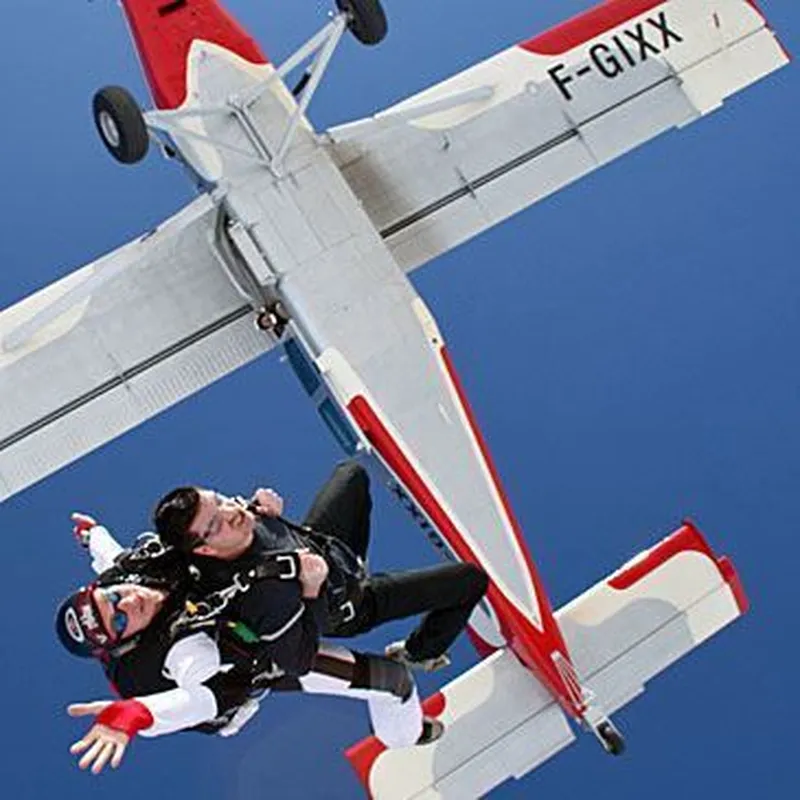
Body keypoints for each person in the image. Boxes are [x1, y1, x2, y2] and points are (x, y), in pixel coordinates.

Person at [55, 514, 440, 775]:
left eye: (110, 599)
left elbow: (107, 557)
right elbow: (201, 697)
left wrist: (92, 534)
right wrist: (135, 716)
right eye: (120, 622)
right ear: (125, 642)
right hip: (259, 665)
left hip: (249, 618)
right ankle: (405, 735)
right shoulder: (177, 653)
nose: (128, 603)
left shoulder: (125, 575)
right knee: (393, 680)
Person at [153, 461, 489, 677]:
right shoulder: (262, 598)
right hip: (353, 603)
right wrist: (312, 590)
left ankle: (354, 565)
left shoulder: (239, 520)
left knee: (352, 475)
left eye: (221, 499)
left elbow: (234, 517)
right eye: (216, 523)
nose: (231, 512)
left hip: (330, 550)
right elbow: (296, 662)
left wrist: (265, 510)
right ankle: (420, 653)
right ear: (206, 549)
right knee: (470, 581)